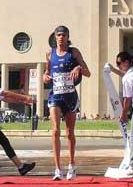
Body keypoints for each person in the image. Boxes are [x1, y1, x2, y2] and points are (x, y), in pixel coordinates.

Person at [44, 25, 90, 181]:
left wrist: (78, 67)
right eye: (58, 35)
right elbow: (47, 73)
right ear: (55, 37)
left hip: (70, 96)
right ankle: (57, 169)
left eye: (63, 35)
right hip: (55, 96)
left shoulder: (74, 52)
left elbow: (88, 72)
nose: (61, 37)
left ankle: (71, 165)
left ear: (68, 37)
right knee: (55, 130)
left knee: (70, 133)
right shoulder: (49, 54)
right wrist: (45, 77)